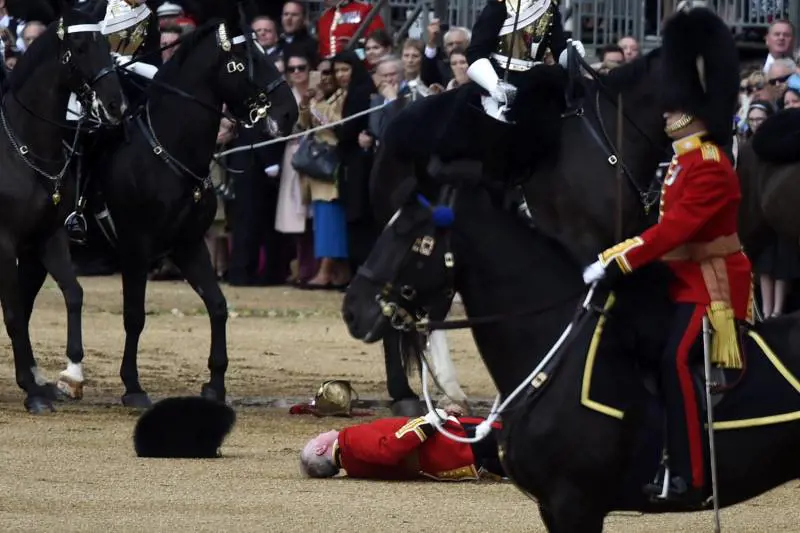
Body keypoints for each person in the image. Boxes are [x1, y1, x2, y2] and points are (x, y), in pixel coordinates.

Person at [580, 7, 748, 505]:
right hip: (681, 277)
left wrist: (617, 259)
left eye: (676, 107)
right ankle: (653, 458)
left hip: (710, 283)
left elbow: (674, 230)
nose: (668, 114)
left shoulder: (711, 165)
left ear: (698, 110)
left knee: (676, 361)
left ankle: (693, 478)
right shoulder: (682, 162)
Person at [300, 410, 506, 481]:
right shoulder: (348, 441)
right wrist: (433, 418)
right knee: (513, 433)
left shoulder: (353, 466)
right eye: (316, 438)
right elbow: (388, 450)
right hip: (449, 441)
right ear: (321, 449)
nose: (321, 433)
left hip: (449, 459)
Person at [465, 0, 584, 123]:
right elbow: (475, 52)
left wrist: (571, 52)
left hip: (536, 82)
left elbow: (559, 50)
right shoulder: (499, 6)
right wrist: (494, 85)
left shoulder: (549, 8)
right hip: (501, 80)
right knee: (497, 127)